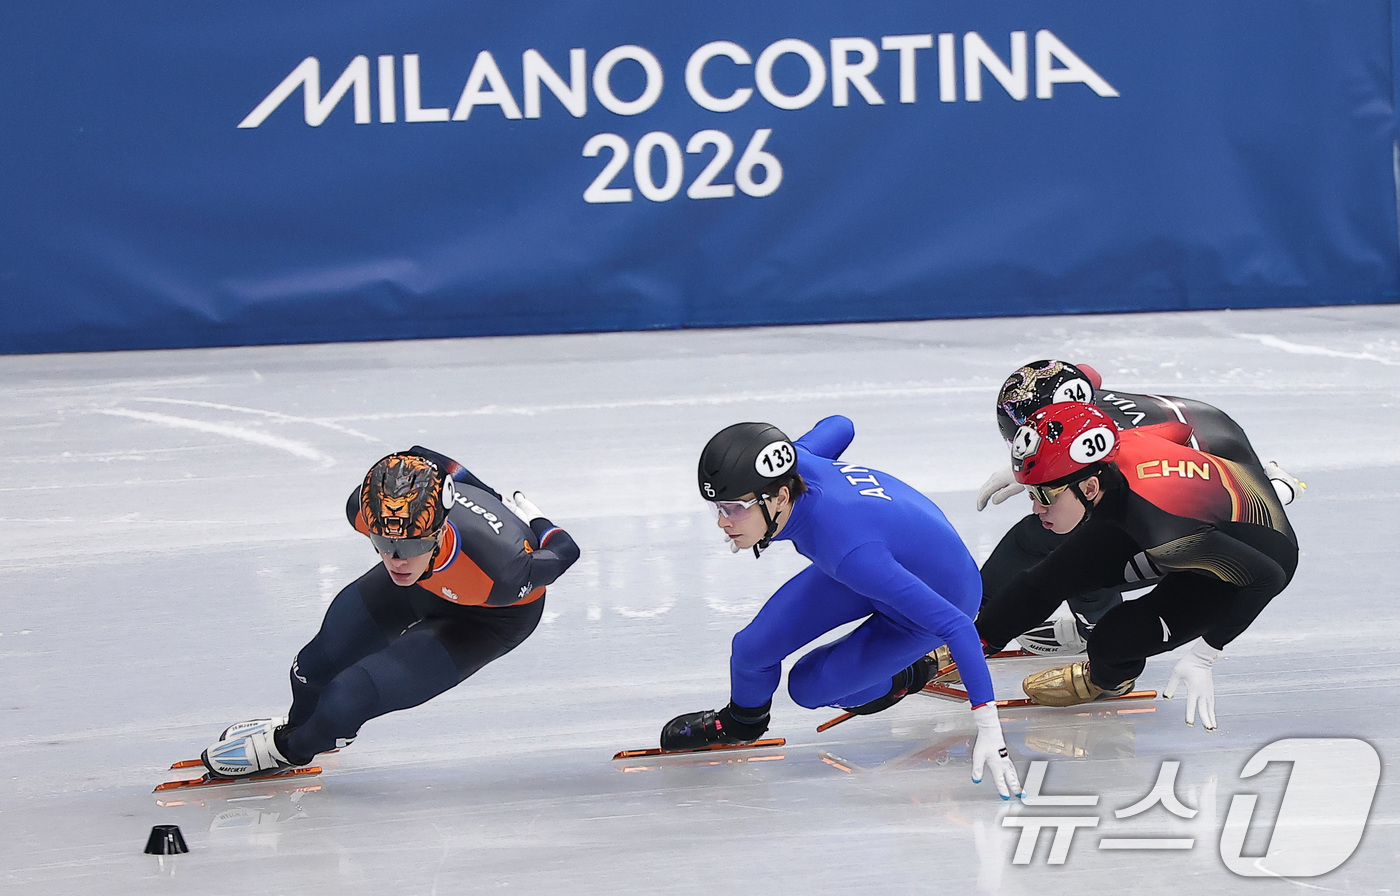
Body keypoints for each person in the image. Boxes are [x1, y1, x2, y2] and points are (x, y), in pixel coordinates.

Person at [661, 416, 1023, 799]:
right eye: (717, 507)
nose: (721, 521)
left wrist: (989, 729)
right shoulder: (796, 462)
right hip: (882, 559)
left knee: (810, 687)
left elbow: (959, 626)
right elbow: (841, 425)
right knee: (751, 649)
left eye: (733, 508)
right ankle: (741, 723)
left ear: (781, 498)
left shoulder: (849, 553)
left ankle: (915, 671)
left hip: (938, 596)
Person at [201, 447, 580, 778]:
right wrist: (484, 492)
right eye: (383, 542)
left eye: (413, 543)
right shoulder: (365, 508)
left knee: (346, 698)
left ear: (440, 529)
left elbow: (566, 552)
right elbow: (421, 453)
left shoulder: (502, 570)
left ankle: (291, 748)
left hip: (490, 618)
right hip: (425, 586)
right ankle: (308, 727)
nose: (397, 559)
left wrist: (538, 523)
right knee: (311, 667)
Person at [976, 402, 1298, 728]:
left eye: (1043, 495)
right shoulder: (1120, 447)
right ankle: (979, 640)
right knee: (1051, 576)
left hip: (1248, 561)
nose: (1035, 507)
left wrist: (1206, 654)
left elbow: (1267, 577)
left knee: (1112, 640)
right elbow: (1180, 430)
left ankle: (1109, 680)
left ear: (1089, 488)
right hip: (1169, 515)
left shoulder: (1166, 534)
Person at [974, 360, 1304, 655]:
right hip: (1203, 434)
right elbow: (1089, 372)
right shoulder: (1076, 408)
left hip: (1213, 463)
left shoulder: (1116, 442)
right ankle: (982, 613)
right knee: (1052, 529)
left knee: (1077, 540)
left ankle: (1094, 627)